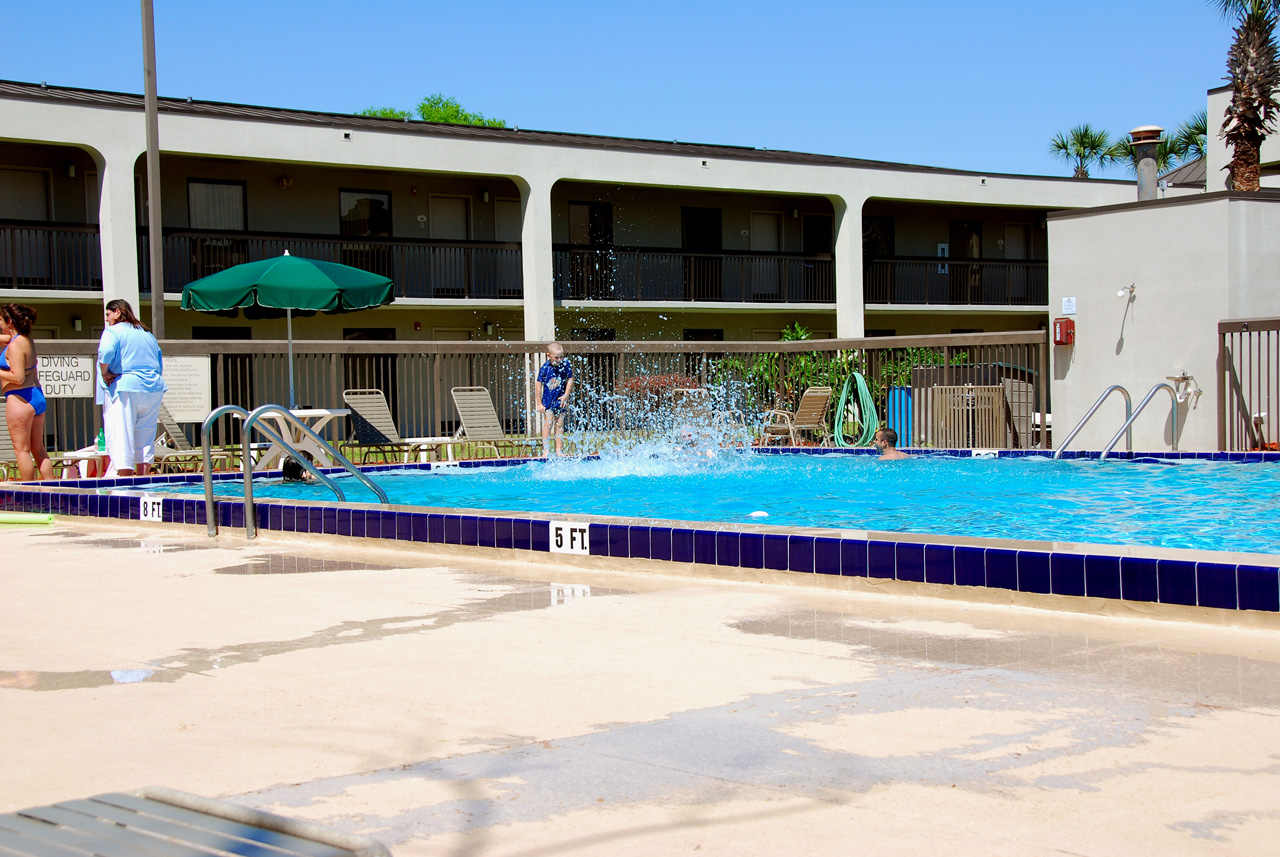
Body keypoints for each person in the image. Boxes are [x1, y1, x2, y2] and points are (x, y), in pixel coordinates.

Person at [98, 299, 167, 477]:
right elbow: (158, 360)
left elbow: (105, 352)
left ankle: (125, 479)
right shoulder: (146, 333)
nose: (107, 319)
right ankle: (143, 478)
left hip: (126, 387)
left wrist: (105, 372)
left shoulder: (112, 332)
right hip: (153, 387)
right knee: (145, 435)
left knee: (122, 434)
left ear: (118, 312)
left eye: (108, 314)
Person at [0, 304, 52, 480]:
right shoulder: (25, 339)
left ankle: (30, 494)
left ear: (9, 322)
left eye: (1, 320)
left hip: (20, 399)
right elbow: (5, 339)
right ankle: (55, 492)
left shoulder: (14, 346)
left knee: (21, 450)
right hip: (36, 396)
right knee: (38, 449)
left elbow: (18, 377)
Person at [535, 342, 574, 456]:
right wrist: (539, 404)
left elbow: (570, 379)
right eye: (556, 357)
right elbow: (538, 385)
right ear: (548, 355)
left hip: (560, 399)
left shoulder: (565, 364)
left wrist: (566, 395)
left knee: (560, 424)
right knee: (548, 423)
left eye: (561, 357)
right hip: (548, 400)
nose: (559, 359)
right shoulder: (545, 368)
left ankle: (558, 450)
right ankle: (546, 450)